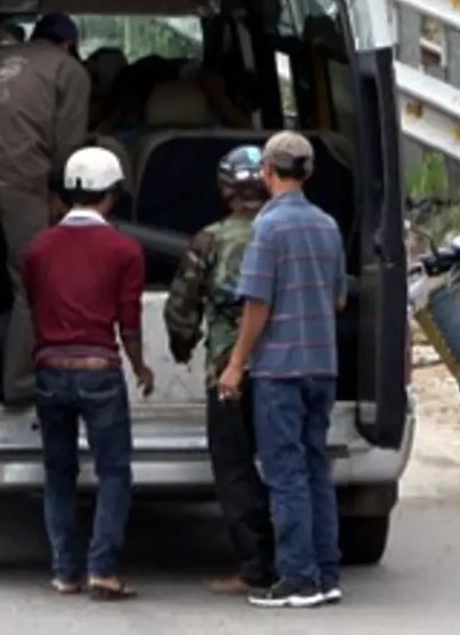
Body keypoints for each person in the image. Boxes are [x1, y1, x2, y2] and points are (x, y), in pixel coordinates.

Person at [218, 131, 348, 609]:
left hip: (279, 371)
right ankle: (326, 572)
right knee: (315, 469)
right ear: (309, 172)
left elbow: (257, 302)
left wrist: (235, 364)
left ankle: (296, 578)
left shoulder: (267, 230)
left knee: (285, 474)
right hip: (322, 367)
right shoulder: (329, 226)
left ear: (268, 172)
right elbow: (337, 298)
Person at [21, 145, 152, 601]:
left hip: (50, 369)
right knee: (114, 471)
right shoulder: (125, 249)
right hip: (99, 369)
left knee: (59, 473)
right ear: (112, 196)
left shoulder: (37, 248)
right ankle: (103, 569)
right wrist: (140, 366)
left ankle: (64, 571)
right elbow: (128, 321)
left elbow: (34, 302)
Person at [163, 144, 276, 595]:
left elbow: (181, 309)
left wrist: (182, 346)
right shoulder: (284, 232)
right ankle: (300, 560)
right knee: (286, 466)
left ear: (225, 189)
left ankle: (254, 565)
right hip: (283, 366)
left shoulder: (209, 240)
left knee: (234, 467)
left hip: (228, 371)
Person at [0, 12, 92, 407]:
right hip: (24, 182)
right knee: (29, 283)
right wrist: (62, 194)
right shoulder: (69, 70)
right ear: (67, 45)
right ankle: (20, 383)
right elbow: (70, 146)